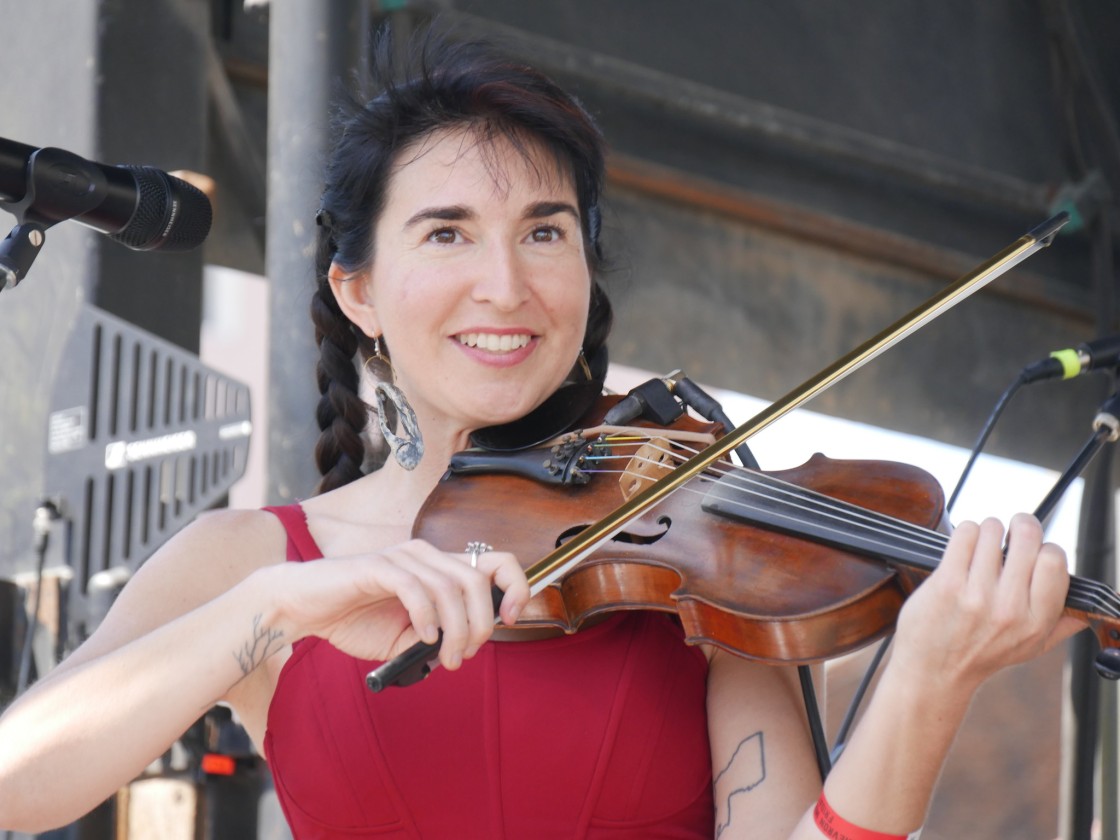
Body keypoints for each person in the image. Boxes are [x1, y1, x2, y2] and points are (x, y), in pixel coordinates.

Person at [0, 27, 1084, 840]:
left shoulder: (694, 563)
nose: (506, 286)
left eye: (544, 232)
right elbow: (18, 780)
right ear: (358, 289)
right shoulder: (253, 562)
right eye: (446, 233)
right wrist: (277, 605)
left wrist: (929, 677)